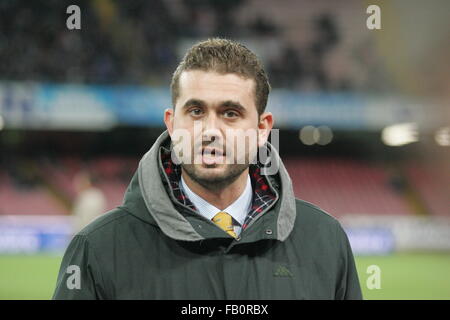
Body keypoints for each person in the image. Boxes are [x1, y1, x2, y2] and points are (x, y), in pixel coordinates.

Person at [53, 38, 362, 299]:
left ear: (262, 128)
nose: (210, 130)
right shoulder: (97, 249)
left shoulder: (325, 240)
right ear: (172, 124)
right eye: (196, 111)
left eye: (230, 113)